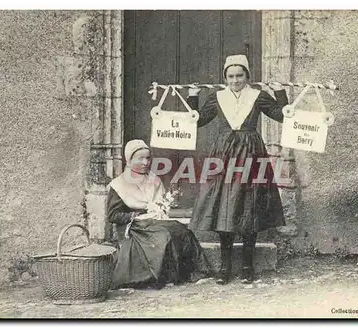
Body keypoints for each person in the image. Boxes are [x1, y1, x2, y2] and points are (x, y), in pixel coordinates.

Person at [187, 54, 288, 285]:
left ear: (247, 76)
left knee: (249, 207)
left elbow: (282, 115)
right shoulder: (217, 97)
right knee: (225, 207)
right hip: (223, 154)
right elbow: (197, 120)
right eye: (231, 76)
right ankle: (224, 267)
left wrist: (280, 92)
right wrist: (193, 97)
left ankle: (247, 267)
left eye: (239, 75)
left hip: (251, 153)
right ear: (225, 77)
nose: (235, 80)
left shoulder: (258, 96)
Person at [106, 139, 212, 289]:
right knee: (164, 235)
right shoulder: (119, 185)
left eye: (148, 158)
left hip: (153, 221)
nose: (145, 162)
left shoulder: (153, 179)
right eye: (140, 158)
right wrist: (134, 215)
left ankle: (193, 272)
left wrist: (159, 209)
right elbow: (113, 215)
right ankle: (166, 277)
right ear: (129, 160)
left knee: (181, 230)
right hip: (135, 226)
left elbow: (160, 203)